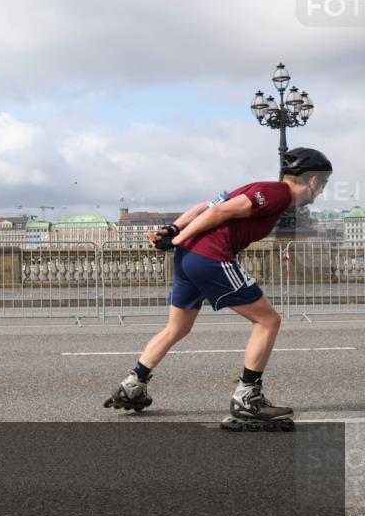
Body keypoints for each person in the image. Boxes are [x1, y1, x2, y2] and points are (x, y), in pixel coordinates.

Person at [103, 148, 332, 431]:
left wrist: (174, 230)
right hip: (210, 256)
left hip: (188, 258)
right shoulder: (278, 193)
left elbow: (206, 206)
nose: (322, 191)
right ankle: (248, 398)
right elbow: (220, 211)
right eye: (323, 184)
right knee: (268, 320)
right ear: (313, 180)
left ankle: (133, 384)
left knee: (177, 327)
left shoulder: (261, 189)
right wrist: (177, 238)